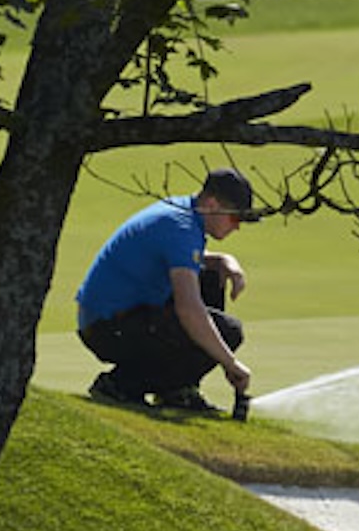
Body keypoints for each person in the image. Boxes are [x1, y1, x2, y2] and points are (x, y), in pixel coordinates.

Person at [76, 168, 262, 414]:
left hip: (116, 319)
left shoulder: (184, 212)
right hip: (108, 328)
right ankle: (121, 385)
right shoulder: (180, 227)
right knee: (229, 331)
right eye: (234, 219)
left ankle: (178, 389)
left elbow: (182, 258)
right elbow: (188, 310)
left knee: (209, 277)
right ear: (211, 204)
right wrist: (230, 363)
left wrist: (222, 260)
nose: (236, 227)